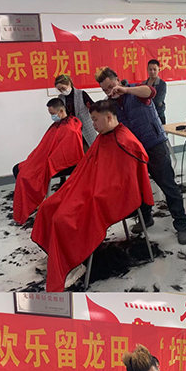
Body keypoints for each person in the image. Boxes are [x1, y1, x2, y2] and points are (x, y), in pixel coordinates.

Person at [31, 101, 154, 292]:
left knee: (63, 218)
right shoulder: (103, 137)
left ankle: (75, 261)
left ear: (109, 117)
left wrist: (94, 191)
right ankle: (58, 255)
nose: (93, 125)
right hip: (90, 187)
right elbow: (88, 168)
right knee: (48, 207)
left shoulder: (126, 142)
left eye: (95, 120)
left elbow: (125, 183)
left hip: (114, 195)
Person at [95, 66, 186, 244]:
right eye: (105, 90)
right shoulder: (111, 105)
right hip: (133, 151)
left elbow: (150, 91)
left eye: (111, 86)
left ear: (118, 79)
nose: (109, 91)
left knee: (168, 186)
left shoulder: (136, 90)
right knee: (139, 188)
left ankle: (181, 225)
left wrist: (125, 90)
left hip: (154, 145)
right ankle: (146, 219)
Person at [12, 98, 85, 223]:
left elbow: (68, 154)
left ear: (61, 111)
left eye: (53, 114)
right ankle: (31, 203)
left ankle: (32, 204)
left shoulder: (71, 129)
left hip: (62, 163)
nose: (52, 117)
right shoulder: (58, 125)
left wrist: (47, 162)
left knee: (24, 176)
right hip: (45, 158)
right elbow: (45, 145)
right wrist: (37, 158)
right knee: (17, 168)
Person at [53, 74, 96, 150]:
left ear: (69, 83)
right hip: (72, 131)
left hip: (86, 128)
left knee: (92, 150)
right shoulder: (60, 98)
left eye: (63, 88)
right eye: (60, 90)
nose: (62, 91)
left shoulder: (81, 94)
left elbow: (93, 107)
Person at [142, 60, 167, 125]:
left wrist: (145, 101)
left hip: (158, 115)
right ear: (147, 70)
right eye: (150, 69)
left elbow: (158, 101)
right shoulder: (143, 84)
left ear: (159, 70)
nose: (152, 72)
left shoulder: (162, 84)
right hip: (146, 116)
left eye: (155, 69)